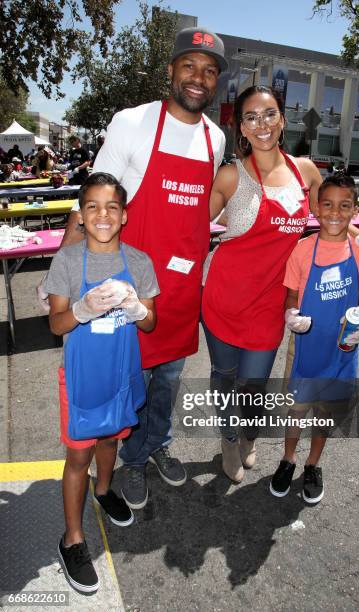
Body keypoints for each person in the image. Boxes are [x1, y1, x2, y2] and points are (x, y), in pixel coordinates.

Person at [52, 27, 227, 508]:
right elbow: (91, 199)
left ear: (216, 84)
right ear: (170, 71)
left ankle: (157, 444)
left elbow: (207, 210)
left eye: (209, 71)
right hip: (128, 290)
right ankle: (130, 460)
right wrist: (63, 273)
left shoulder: (216, 138)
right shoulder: (132, 123)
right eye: (189, 66)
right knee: (129, 381)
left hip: (182, 288)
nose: (198, 78)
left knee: (168, 381)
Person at [201, 86, 359, 484]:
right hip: (224, 297)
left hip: (273, 303)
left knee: (254, 382)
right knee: (224, 377)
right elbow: (192, 228)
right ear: (242, 128)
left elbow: (332, 216)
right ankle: (230, 439)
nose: (262, 124)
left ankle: (248, 434)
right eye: (251, 117)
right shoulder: (231, 174)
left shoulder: (305, 171)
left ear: (282, 120)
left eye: (269, 114)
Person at [46, 172, 159, 593]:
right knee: (79, 458)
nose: (103, 215)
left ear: (124, 215)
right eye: (92, 206)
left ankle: (106, 489)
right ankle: (72, 539)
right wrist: (81, 308)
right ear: (82, 213)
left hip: (122, 375)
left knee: (111, 440)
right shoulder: (69, 261)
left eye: (112, 206)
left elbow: (151, 324)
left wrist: (134, 307)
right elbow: (57, 326)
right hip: (80, 380)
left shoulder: (141, 263)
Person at [269, 174, 359, 504]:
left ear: (355, 211)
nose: (335, 212)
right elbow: (291, 297)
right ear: (316, 209)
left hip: (342, 351)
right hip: (304, 347)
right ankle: (288, 458)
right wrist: (292, 316)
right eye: (327, 204)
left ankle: (313, 464)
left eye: (344, 206)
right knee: (298, 408)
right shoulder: (302, 251)